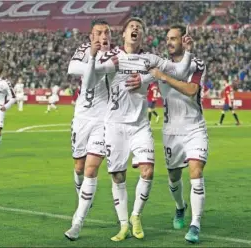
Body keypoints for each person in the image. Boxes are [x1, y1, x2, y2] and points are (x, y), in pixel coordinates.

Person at [94, 17, 193, 241]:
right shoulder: (112, 57)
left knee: (147, 171)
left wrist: (185, 52)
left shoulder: (150, 59)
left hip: (140, 125)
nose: (135, 29)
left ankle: (136, 215)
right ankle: (122, 225)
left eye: (139, 27)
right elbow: (91, 74)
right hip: (115, 125)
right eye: (131, 27)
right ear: (124, 34)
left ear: (143, 35)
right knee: (118, 176)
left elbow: (178, 71)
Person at [64, 19, 142, 241]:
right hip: (81, 118)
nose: (103, 37)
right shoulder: (82, 49)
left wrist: (92, 62)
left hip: (103, 120)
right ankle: (83, 201)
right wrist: (91, 58)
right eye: (98, 33)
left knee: (90, 169)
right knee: (79, 167)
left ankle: (77, 222)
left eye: (106, 32)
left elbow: (89, 80)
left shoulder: (115, 55)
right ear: (91, 36)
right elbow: (73, 69)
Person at [148, 24, 208, 244]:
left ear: (184, 40)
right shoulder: (161, 64)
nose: (169, 42)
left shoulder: (196, 64)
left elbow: (192, 91)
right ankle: (180, 207)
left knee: (196, 171)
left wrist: (163, 78)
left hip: (194, 128)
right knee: (174, 177)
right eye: (167, 38)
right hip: (171, 131)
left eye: (174, 38)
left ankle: (195, 225)